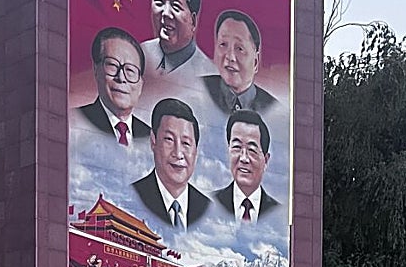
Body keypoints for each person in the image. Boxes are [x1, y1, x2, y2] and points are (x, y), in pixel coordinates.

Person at [132, 98, 211, 230]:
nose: (178, 153)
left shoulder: (207, 208)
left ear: (196, 151)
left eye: (186, 143)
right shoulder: (132, 195)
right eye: (169, 139)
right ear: (153, 141)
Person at [74, 27, 150, 144]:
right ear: (96, 70)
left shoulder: (150, 137)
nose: (121, 78)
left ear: (140, 85)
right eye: (113, 65)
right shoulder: (75, 121)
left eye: (130, 70)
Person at [141, 0, 215, 80]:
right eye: (159, 2)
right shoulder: (140, 54)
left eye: (175, 6)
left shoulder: (210, 76)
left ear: (193, 21)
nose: (166, 13)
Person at [202, 10, 277, 115]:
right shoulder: (200, 89)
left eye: (239, 48)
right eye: (223, 44)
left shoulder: (273, 109)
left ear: (255, 62)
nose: (230, 57)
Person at [211, 109, 281, 223]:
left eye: (252, 150)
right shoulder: (210, 204)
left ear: (266, 160)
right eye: (237, 147)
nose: (243, 158)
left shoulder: (278, 214)